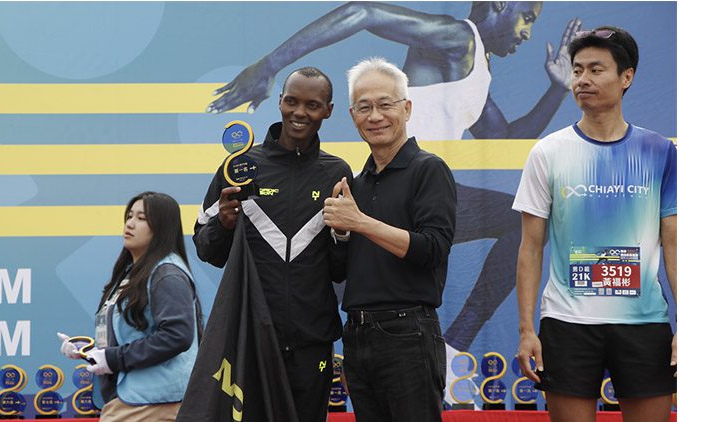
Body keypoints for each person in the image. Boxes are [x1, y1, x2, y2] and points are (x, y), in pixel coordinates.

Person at [206, 1, 582, 359]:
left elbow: (502, 138)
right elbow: (364, 11)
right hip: (388, 188)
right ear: (500, 4)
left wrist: (557, 89)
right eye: (527, 17)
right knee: (340, 294)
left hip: (422, 192)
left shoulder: (475, 62)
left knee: (516, 225)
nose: (527, 33)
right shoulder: (458, 38)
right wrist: (269, 65)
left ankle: (451, 349)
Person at [513, 27, 676, 422]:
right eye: (577, 70)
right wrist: (527, 330)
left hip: (643, 323)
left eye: (596, 70)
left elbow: (675, 243)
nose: (582, 79)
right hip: (567, 323)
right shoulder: (548, 152)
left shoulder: (660, 151)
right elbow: (530, 246)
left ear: (626, 77)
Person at [193, 67, 352, 422]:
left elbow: (341, 269)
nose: (299, 112)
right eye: (292, 101)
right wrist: (223, 224)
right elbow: (206, 250)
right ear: (279, 101)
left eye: (312, 105)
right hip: (249, 337)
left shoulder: (337, 173)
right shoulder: (239, 167)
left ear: (328, 110)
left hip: (312, 340)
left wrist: (343, 236)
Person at [323, 58, 456, 421]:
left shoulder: (429, 169)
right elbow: (339, 271)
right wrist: (341, 232)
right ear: (352, 115)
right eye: (364, 107)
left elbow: (433, 249)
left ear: (406, 108)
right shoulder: (355, 184)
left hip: (408, 333)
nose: (375, 116)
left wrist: (360, 222)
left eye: (385, 104)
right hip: (357, 334)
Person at [58, 191, 201, 421]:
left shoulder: (167, 274)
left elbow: (177, 335)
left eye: (142, 218)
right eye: (129, 216)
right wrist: (91, 351)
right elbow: (135, 336)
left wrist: (113, 358)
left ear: (162, 227)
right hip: (130, 400)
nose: (130, 223)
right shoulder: (131, 273)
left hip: (155, 403)